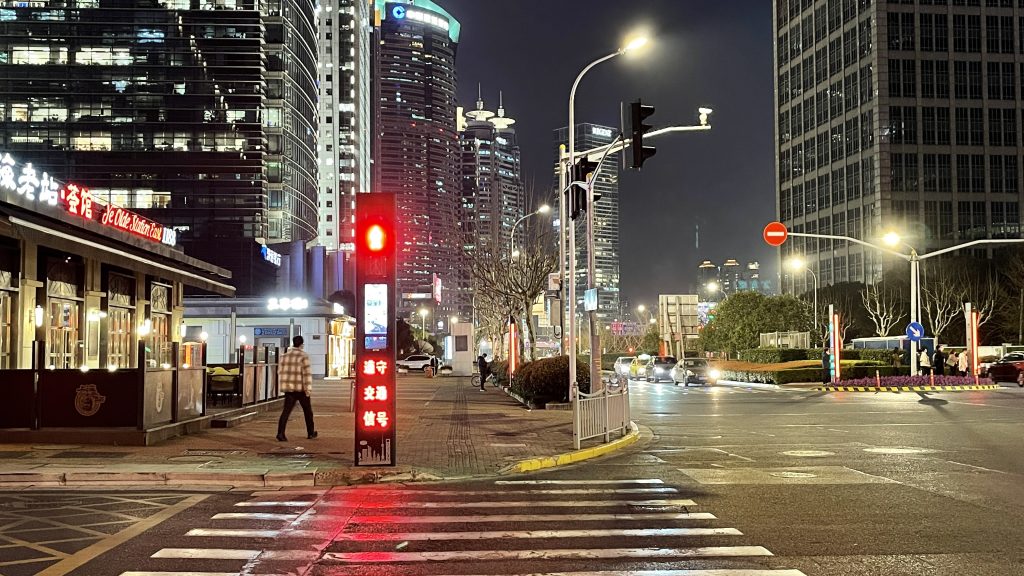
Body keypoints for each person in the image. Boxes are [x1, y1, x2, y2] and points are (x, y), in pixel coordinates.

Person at [276, 335, 317, 442]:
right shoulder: (303, 356)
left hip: (289, 389)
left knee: (286, 412)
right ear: (301, 344)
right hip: (301, 389)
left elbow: (280, 372)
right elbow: (307, 374)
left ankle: (280, 433)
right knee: (308, 411)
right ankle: (311, 433)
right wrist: (308, 389)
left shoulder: (284, 356)